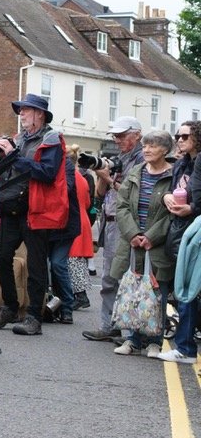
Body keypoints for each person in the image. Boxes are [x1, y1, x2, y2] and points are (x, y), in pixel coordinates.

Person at [0, 94, 69, 336]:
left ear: (39, 114)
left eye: (26, 110)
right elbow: (2, 171)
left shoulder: (52, 139)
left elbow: (47, 173)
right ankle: (10, 308)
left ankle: (34, 317)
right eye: (20, 110)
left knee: (36, 265)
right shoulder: (19, 139)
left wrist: (14, 155)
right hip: (12, 207)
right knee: (2, 258)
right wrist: (1, 155)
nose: (21, 114)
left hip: (36, 209)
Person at [109, 129, 174, 357]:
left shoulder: (173, 175)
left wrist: (151, 236)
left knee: (157, 292)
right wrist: (133, 233)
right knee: (132, 290)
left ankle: (155, 341)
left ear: (165, 150)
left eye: (152, 146)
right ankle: (132, 339)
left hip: (157, 245)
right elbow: (122, 205)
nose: (146, 150)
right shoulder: (136, 171)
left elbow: (172, 214)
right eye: (145, 145)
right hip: (133, 242)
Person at [83, 117, 144, 341]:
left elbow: (131, 194)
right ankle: (109, 325)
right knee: (109, 277)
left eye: (122, 135)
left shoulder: (142, 159)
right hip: (109, 220)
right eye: (115, 136)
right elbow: (100, 194)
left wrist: (109, 179)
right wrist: (102, 174)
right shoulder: (119, 158)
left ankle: (128, 331)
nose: (117, 140)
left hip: (126, 224)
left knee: (125, 277)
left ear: (137, 134)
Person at [159, 123, 199, 364]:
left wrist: (191, 208)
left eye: (185, 136)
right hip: (181, 231)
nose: (180, 140)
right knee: (185, 292)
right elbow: (171, 189)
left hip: (194, 232)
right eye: (178, 136)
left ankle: (185, 348)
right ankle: (185, 347)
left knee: (187, 293)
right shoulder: (182, 164)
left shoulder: (198, 163)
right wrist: (166, 196)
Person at [66, 144, 97, 314]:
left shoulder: (71, 177)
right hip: (81, 218)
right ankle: (79, 294)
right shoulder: (82, 178)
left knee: (73, 260)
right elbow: (87, 202)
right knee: (76, 260)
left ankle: (80, 295)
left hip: (74, 220)